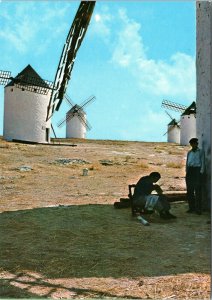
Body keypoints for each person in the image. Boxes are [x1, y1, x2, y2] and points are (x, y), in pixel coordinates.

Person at [185, 138, 205, 215]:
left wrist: (201, 172)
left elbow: (203, 161)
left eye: (194, 143)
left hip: (197, 170)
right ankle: (191, 208)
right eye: (192, 143)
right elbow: (187, 163)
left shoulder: (200, 152)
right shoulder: (189, 152)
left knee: (198, 190)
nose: (193, 145)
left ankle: (198, 209)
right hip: (190, 171)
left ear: (197, 144)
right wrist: (187, 171)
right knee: (189, 190)